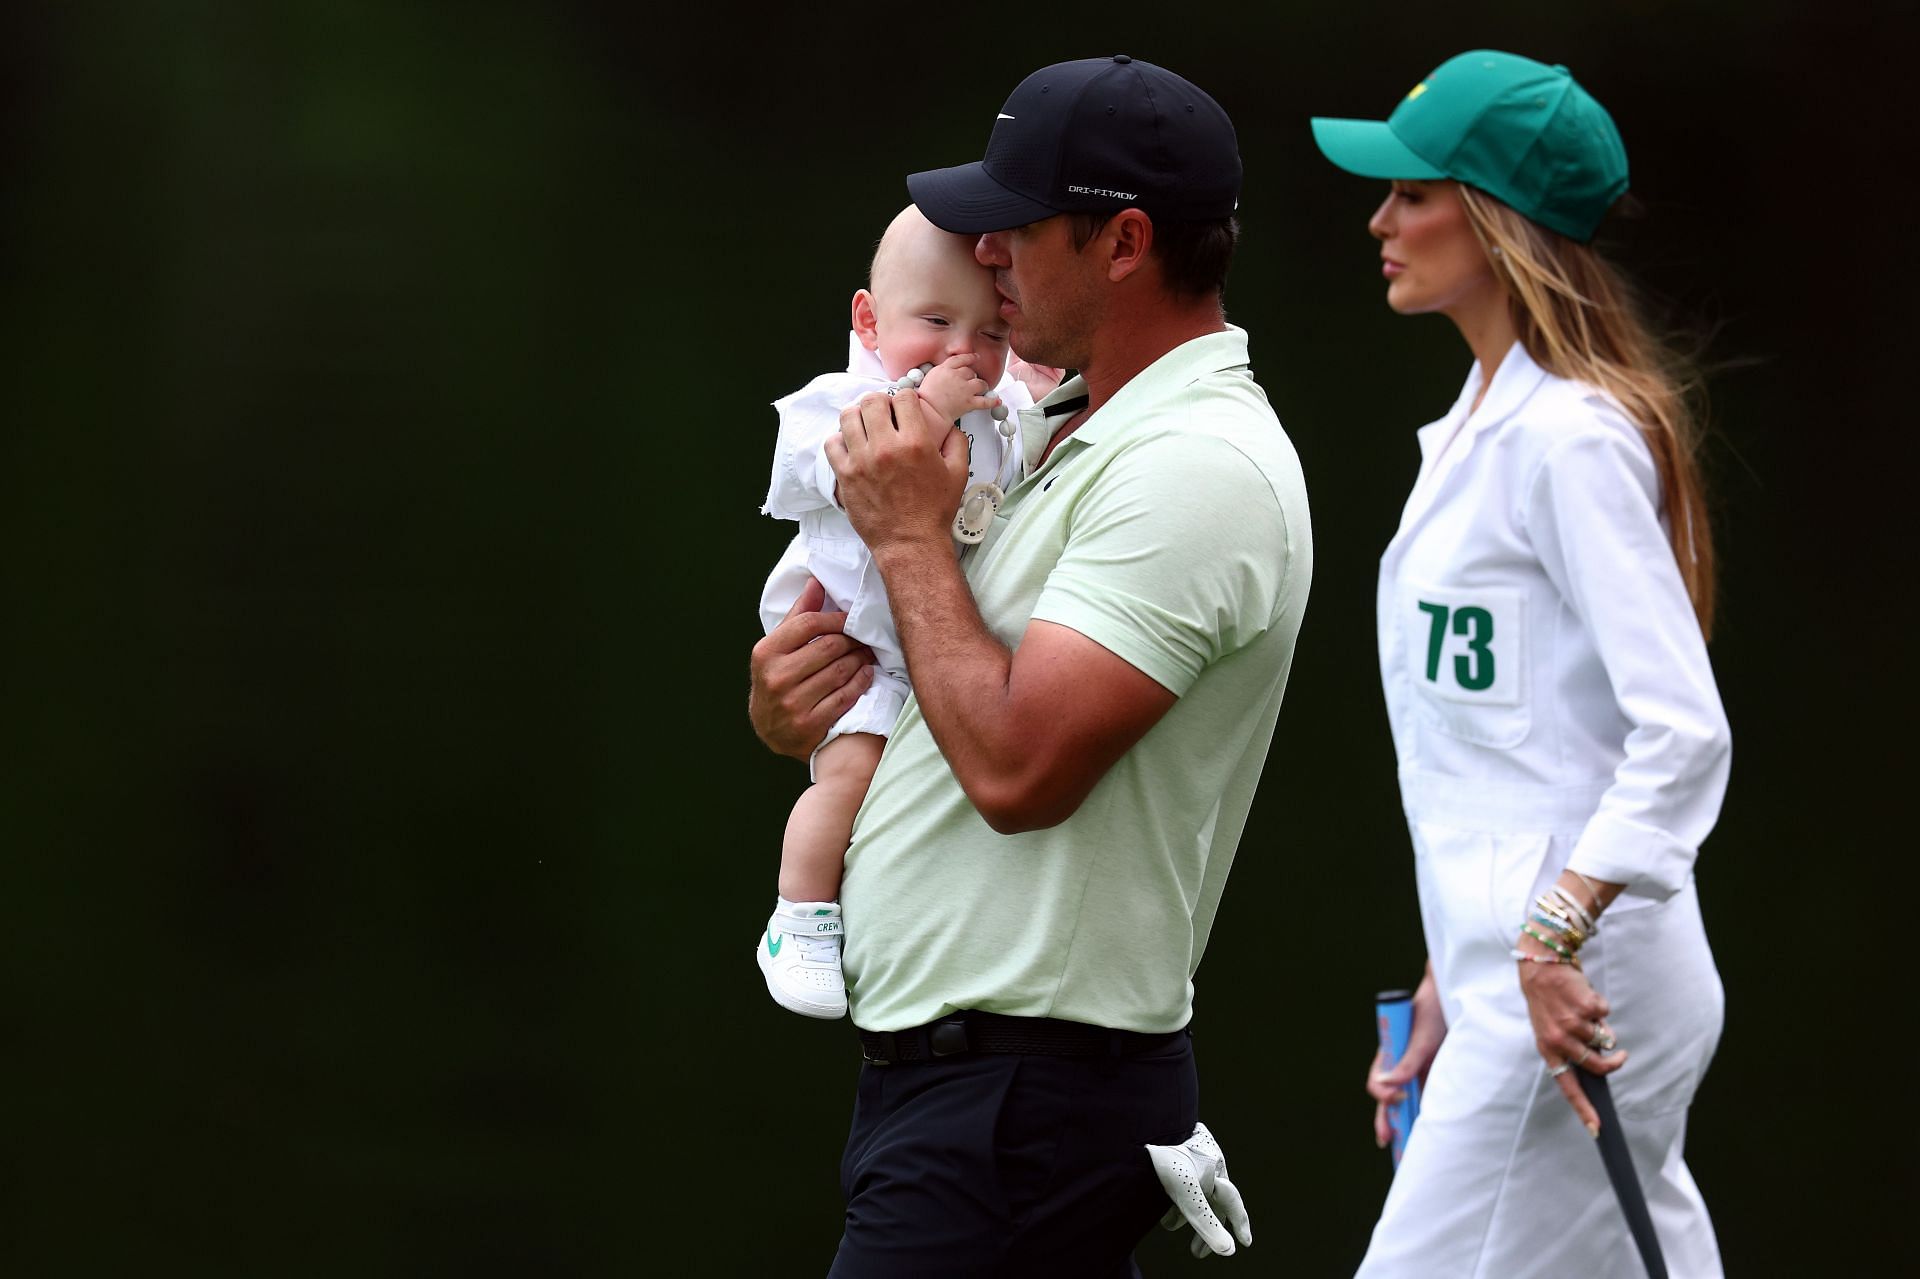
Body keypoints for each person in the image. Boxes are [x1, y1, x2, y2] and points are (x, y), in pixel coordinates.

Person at [749, 55, 1309, 1275]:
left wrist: (905, 534)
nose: (981, 251)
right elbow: (932, 680)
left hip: (1024, 1098)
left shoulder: (1196, 468)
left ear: (1123, 242)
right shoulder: (1066, 422)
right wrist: (799, 700)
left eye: (1015, 222)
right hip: (970, 1095)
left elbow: (1017, 769)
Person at [1310, 50, 1731, 1276]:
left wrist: (1542, 940)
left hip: (1578, 999)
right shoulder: (1479, 426)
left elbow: (1682, 732)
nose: (1382, 219)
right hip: (1513, 983)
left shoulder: (1570, 441)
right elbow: (1511, 756)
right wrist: (1456, 964)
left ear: (1500, 225)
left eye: (1417, 192)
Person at [754, 204, 1052, 1019]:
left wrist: (1017, 388)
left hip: (940, 654)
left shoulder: (995, 402)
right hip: (855, 644)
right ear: (868, 318)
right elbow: (854, 467)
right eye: (936, 321)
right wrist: (934, 406)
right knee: (846, 779)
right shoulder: (841, 402)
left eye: (990, 330)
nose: (965, 350)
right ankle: (800, 915)